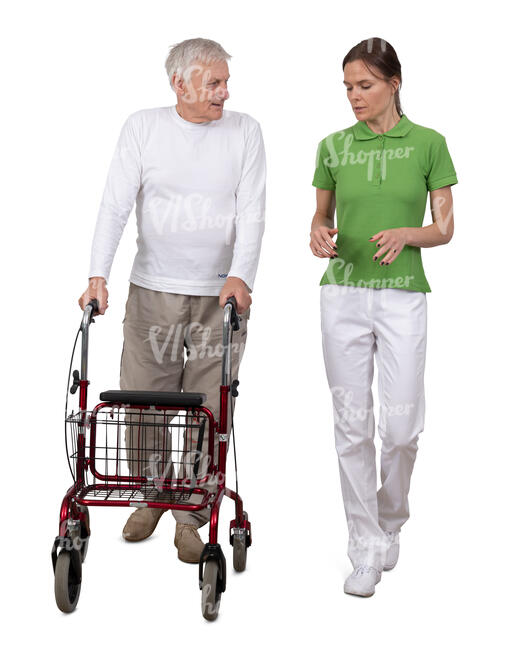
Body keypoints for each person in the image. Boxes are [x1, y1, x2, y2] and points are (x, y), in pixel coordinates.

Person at [78, 37, 266, 563]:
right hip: (153, 289)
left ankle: (190, 514)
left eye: (226, 82)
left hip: (218, 297)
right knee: (143, 402)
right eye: (214, 83)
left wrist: (241, 275)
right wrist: (98, 274)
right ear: (178, 84)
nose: (225, 92)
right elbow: (114, 203)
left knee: (209, 408)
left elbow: (252, 210)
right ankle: (155, 496)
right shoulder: (143, 127)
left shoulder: (245, 132)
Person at [310, 37, 457, 596]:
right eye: (348, 87)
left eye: (365, 85)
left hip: (402, 297)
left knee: (399, 428)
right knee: (351, 426)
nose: (354, 96)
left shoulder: (429, 145)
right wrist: (318, 234)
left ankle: (391, 518)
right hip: (342, 295)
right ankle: (365, 547)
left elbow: (444, 227)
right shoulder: (331, 146)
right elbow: (319, 218)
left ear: (394, 83)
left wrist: (407, 233)